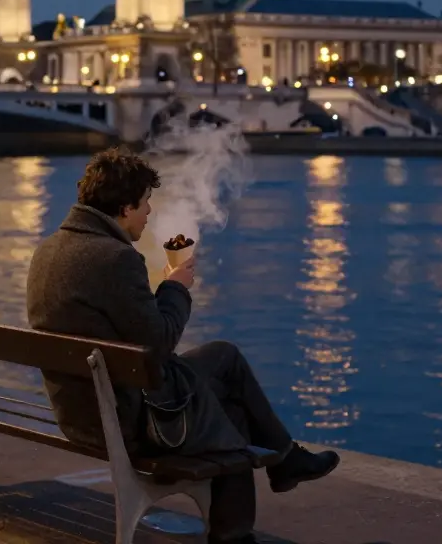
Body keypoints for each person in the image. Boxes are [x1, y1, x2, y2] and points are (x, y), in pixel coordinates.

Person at [26, 147, 339, 544]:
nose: (149, 213)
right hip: (119, 419)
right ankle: (275, 475)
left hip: (76, 409)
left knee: (225, 386)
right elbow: (158, 346)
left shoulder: (48, 249)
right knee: (226, 366)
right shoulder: (116, 259)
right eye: (145, 204)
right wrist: (175, 287)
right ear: (124, 208)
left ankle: (267, 489)